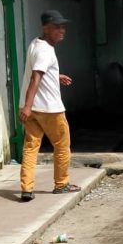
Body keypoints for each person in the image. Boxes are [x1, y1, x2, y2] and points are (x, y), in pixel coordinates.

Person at [18, 10, 80, 202]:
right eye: (57, 27)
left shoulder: (35, 44)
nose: (62, 31)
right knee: (62, 145)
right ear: (46, 28)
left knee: (30, 147)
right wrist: (28, 106)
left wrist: (56, 76)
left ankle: (26, 189)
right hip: (49, 109)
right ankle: (61, 184)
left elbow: (40, 72)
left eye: (63, 27)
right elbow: (36, 78)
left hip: (33, 109)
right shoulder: (46, 50)